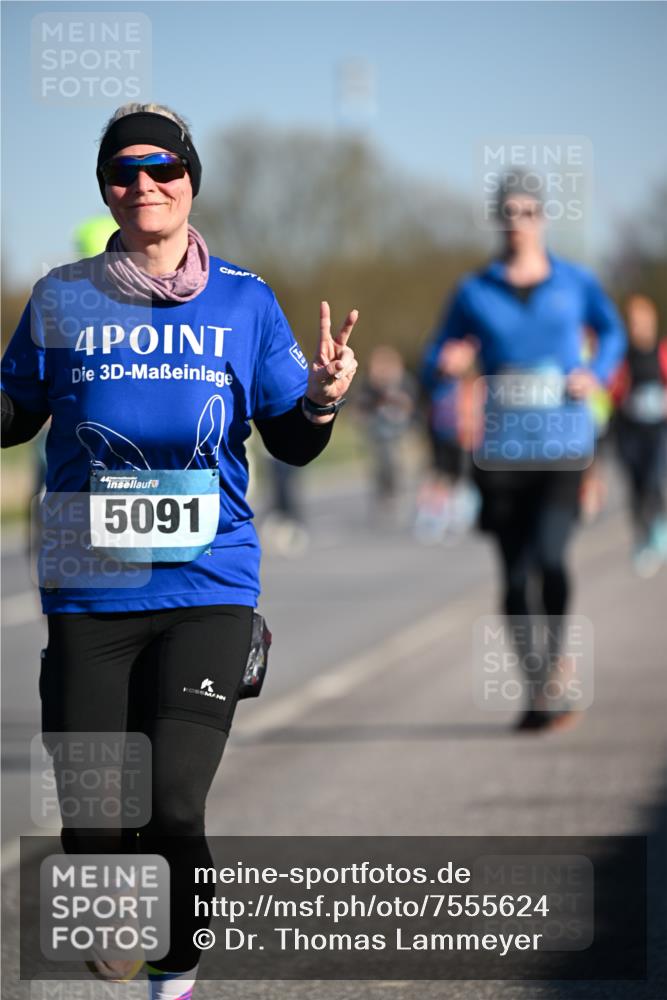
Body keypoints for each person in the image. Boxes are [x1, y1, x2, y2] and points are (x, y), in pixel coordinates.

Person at [1, 102, 359, 999]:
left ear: (191, 178)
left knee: (170, 803)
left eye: (162, 168)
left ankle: (176, 967)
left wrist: (319, 397)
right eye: (124, 171)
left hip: (208, 584)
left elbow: (293, 443)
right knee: (92, 821)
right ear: (107, 189)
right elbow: (15, 415)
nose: (144, 184)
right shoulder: (62, 294)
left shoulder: (244, 299)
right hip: (90, 584)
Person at [422, 171, 625, 733]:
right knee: (514, 578)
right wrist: (446, 366)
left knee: (553, 558)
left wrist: (597, 372)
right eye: (508, 213)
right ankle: (538, 685)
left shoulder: (575, 282)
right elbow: (436, 355)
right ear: (498, 220)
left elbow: (612, 334)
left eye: (528, 212)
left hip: (563, 446)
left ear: (543, 218)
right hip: (500, 453)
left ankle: (555, 661)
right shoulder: (474, 290)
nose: (518, 223)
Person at [610, 294, 667, 576]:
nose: (638, 328)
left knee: (652, 479)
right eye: (632, 323)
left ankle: (658, 526)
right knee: (634, 486)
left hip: (657, 431)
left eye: (642, 322)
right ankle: (641, 536)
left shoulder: (662, 352)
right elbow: (610, 391)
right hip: (628, 431)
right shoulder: (621, 356)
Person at [356, 344, 416, 513]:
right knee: (381, 461)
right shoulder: (368, 384)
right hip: (378, 430)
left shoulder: (404, 381)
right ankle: (384, 490)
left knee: (396, 459)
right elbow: (362, 405)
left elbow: (411, 402)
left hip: (398, 429)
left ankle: (396, 488)